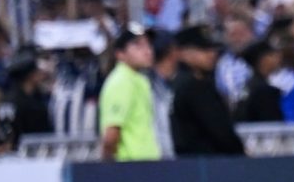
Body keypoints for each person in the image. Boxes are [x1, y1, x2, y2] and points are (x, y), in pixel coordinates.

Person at [168, 24, 244, 156]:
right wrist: (241, 153)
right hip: (206, 164)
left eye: (213, 49)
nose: (212, 54)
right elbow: (221, 132)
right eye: (203, 49)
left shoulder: (176, 82)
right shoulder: (194, 86)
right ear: (183, 53)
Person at [98, 24, 162, 161]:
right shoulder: (121, 82)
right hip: (131, 166)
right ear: (120, 54)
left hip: (146, 165)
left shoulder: (138, 80)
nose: (147, 51)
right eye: (138, 45)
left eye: (148, 44)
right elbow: (111, 135)